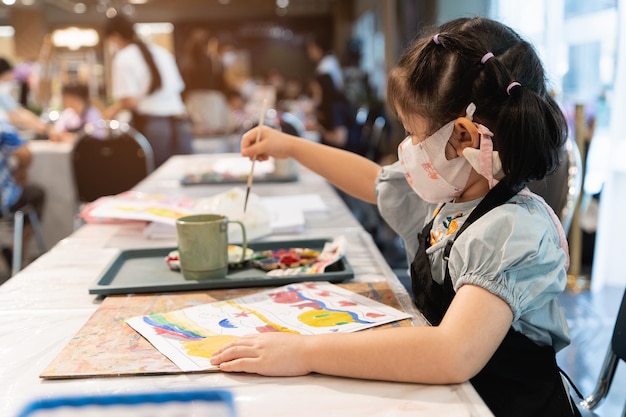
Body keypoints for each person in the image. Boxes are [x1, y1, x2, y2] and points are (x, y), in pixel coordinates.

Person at [211, 17, 581, 417]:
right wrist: (291, 146)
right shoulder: (453, 194)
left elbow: (451, 353)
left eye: (415, 135)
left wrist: (304, 351)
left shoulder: (512, 231)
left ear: (464, 137)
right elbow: (374, 182)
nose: (409, 149)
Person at [102, 14, 193, 168]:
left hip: (154, 126)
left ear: (115, 36)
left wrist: (111, 111)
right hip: (181, 124)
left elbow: (129, 100)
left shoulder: (124, 57)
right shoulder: (162, 52)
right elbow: (179, 87)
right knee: (183, 173)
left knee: (155, 179)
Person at [0, 118, 45, 269]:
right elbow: (25, 154)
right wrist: (21, 170)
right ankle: (17, 250)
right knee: (37, 194)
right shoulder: (2, 126)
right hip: (4, 202)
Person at [0, 57, 48, 137]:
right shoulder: (3, 92)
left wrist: (44, 127)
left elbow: (18, 111)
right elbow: (14, 116)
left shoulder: (3, 94)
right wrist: (45, 129)